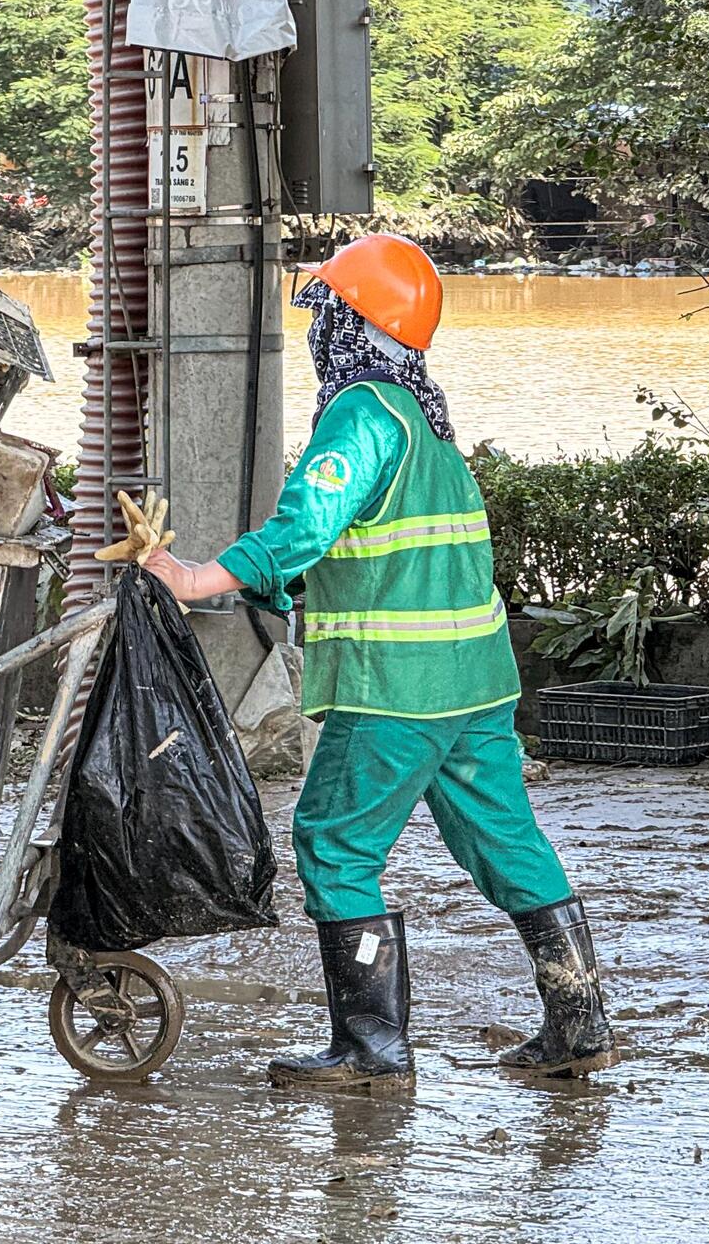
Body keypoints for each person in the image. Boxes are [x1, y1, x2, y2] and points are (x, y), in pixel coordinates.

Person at [144, 234, 617, 1091]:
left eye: (325, 313)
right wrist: (282, 596)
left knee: (333, 844)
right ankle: (579, 1025)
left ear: (351, 324)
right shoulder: (426, 426)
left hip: (396, 687)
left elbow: (307, 529)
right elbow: (377, 560)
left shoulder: (361, 413)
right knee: (507, 844)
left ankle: (373, 1046)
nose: (318, 331)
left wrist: (193, 577)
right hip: (474, 684)